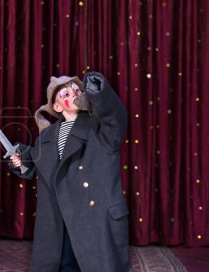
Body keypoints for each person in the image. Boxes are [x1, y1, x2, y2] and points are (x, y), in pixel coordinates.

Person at [9, 71, 131, 272]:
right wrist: (20, 159)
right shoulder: (46, 137)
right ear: (57, 107)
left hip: (92, 216)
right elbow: (37, 162)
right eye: (65, 94)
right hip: (60, 217)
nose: (73, 94)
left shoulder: (101, 127)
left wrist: (98, 91)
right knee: (65, 264)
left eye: (76, 90)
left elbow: (115, 116)